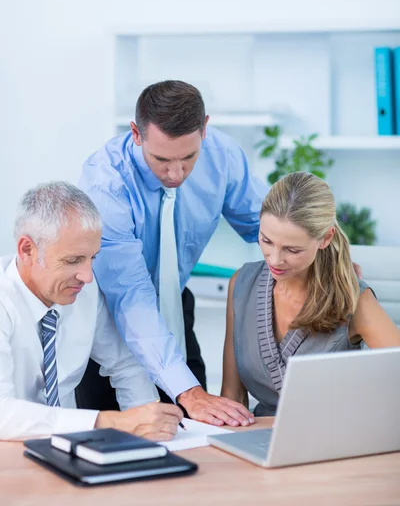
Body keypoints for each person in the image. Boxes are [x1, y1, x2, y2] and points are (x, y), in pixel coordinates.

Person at [78, 80, 265, 426]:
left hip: (176, 307)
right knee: (118, 449)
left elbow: (266, 223)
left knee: (197, 433)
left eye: (189, 157)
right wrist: (188, 392)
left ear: (204, 128)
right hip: (108, 323)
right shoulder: (106, 184)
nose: (176, 174)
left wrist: (326, 253)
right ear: (136, 133)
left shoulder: (222, 155)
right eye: (161, 159)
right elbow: (130, 296)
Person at [0, 182, 183, 441]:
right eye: (73, 260)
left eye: (92, 258)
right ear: (27, 250)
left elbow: (125, 365)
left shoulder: (83, 289)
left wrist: (148, 432)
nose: (87, 276)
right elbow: (3, 414)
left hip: (69, 451)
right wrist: (109, 421)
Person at [221, 171, 400, 416]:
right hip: (257, 440)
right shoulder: (241, 285)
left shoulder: (354, 301)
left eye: (292, 250)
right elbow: (232, 398)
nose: (274, 259)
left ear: (325, 238)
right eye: (266, 240)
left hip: (336, 442)